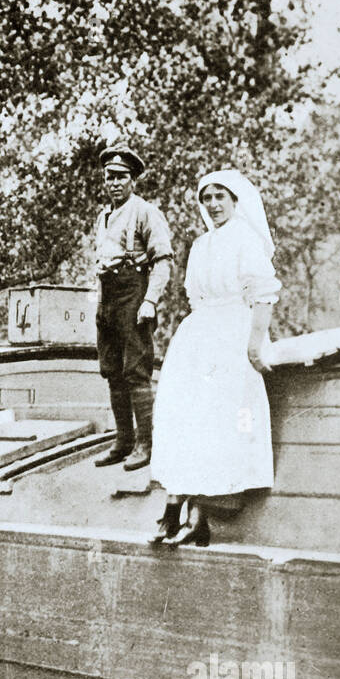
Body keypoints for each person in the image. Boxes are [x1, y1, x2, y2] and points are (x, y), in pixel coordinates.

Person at [150, 170, 279, 546]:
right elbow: (196, 299)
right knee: (181, 414)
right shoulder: (201, 245)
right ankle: (172, 508)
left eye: (220, 196)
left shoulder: (246, 240)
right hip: (200, 334)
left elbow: (264, 294)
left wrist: (255, 344)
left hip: (233, 334)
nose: (213, 204)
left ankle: (199, 515)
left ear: (236, 201)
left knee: (213, 420)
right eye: (206, 198)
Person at [91, 145, 173, 471]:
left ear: (133, 181)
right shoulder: (104, 216)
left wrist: (150, 300)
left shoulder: (144, 212)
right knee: (111, 370)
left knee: (137, 371)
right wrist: (99, 303)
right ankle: (123, 440)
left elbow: (164, 261)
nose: (114, 183)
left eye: (121, 177)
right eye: (109, 177)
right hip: (108, 295)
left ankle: (145, 444)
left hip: (134, 293)